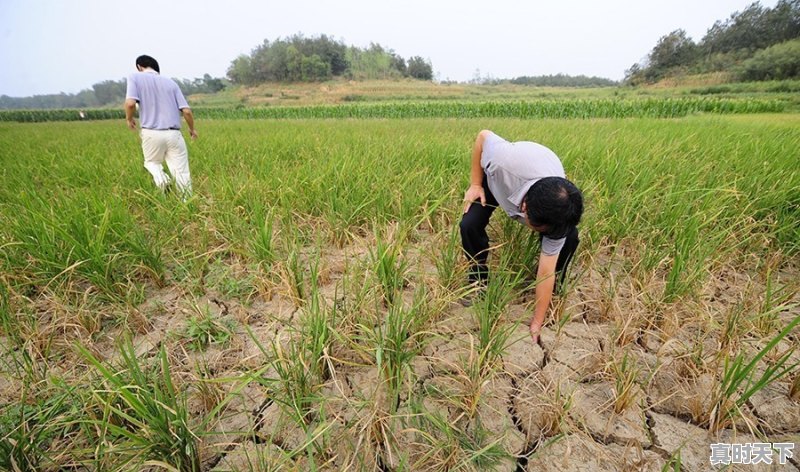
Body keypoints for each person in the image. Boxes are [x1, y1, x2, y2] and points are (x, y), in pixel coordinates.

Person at [459, 130, 583, 344]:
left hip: (542, 188)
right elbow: (482, 136)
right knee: (469, 224)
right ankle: (477, 279)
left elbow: (546, 271)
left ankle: (556, 289)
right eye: (539, 228)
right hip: (500, 181)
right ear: (524, 208)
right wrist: (476, 184)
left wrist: (537, 321)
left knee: (569, 239)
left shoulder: (559, 212)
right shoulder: (501, 161)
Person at [124, 54, 197, 197]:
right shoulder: (171, 83)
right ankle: (187, 204)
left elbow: (130, 103)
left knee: (152, 162)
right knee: (181, 171)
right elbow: (187, 111)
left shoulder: (135, 77)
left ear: (139, 67)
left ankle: (163, 180)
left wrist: (129, 118)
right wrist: (192, 129)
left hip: (151, 132)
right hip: (174, 133)